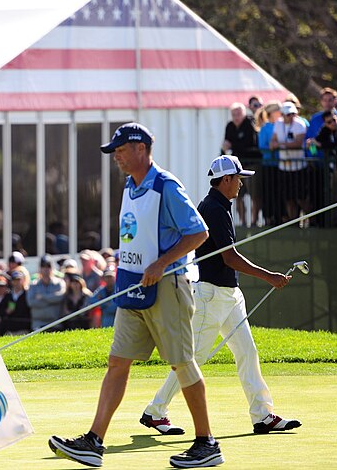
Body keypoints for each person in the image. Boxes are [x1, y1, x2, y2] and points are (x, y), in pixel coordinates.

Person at [49, 122, 223, 469]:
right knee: (118, 361)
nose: (116, 157)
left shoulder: (166, 185)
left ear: (141, 148)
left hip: (169, 287)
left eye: (121, 150)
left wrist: (161, 263)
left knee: (182, 363)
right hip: (132, 287)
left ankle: (207, 443)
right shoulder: (130, 185)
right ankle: (94, 441)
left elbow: (199, 233)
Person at [141, 154, 301, 437]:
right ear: (225, 180)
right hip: (212, 296)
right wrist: (269, 277)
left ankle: (262, 415)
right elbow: (230, 258)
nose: (241, 183)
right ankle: (155, 411)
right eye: (238, 178)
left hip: (229, 296)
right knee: (193, 359)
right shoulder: (214, 209)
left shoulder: (220, 205)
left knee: (247, 353)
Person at [222, 102, 260, 227]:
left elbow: (250, 143)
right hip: (237, 167)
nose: (236, 116)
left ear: (244, 113)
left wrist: (233, 145)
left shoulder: (250, 123)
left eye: (238, 113)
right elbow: (226, 144)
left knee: (255, 194)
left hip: (251, 164)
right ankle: (243, 222)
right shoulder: (230, 126)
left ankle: (254, 222)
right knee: (237, 195)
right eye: (234, 114)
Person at [270, 101, 310, 222]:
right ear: (282, 114)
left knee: (301, 197)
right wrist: (282, 144)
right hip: (284, 167)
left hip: (299, 167)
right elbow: (272, 143)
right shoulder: (278, 124)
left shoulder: (300, 124)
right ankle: (293, 221)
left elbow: (298, 143)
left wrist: (280, 144)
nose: (290, 116)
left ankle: (311, 220)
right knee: (288, 197)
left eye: (292, 113)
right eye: (287, 114)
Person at [258, 101, 283, 225]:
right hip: (268, 166)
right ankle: (269, 218)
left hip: (281, 166)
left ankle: (280, 217)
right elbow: (262, 146)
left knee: (280, 193)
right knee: (269, 193)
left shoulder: (282, 125)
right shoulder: (265, 128)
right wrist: (272, 148)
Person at [27, 254, 66, 330]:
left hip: (56, 323)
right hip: (38, 324)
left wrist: (42, 296)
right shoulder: (33, 285)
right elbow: (31, 302)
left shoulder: (59, 283)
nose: (46, 269)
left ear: (52, 268)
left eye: (48, 266)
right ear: (39, 268)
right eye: (43, 266)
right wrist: (51, 300)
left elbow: (60, 297)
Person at [0, 270, 32, 335]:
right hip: (9, 330)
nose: (16, 282)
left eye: (18, 280)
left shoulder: (27, 294)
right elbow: (0, 311)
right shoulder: (7, 296)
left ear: (23, 280)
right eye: (14, 280)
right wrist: (6, 311)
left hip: (24, 329)